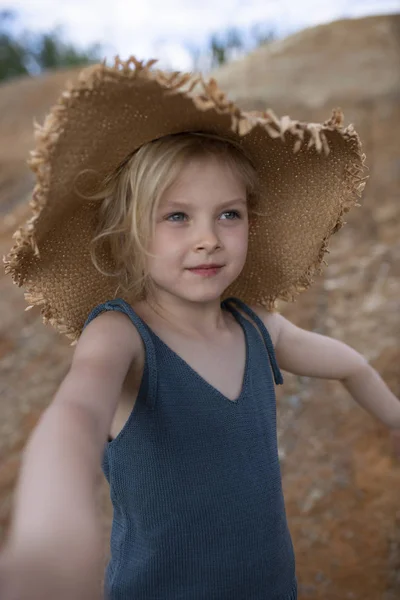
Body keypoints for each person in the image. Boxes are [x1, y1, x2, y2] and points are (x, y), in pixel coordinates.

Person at [1, 57, 399, 600]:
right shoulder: (122, 337)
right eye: (177, 217)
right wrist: (50, 534)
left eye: (228, 215)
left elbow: (350, 364)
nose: (209, 238)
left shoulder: (261, 329)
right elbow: (75, 413)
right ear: (126, 236)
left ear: (251, 224)